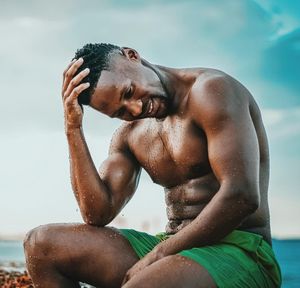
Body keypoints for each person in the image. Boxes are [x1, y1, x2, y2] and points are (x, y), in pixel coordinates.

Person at [24, 43, 281, 287]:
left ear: (132, 55)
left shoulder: (211, 91)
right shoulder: (130, 134)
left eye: (128, 92)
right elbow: (97, 213)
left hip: (240, 251)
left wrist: (158, 256)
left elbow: (242, 196)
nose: (134, 109)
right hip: (173, 248)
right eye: (120, 112)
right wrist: (73, 128)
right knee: (41, 245)